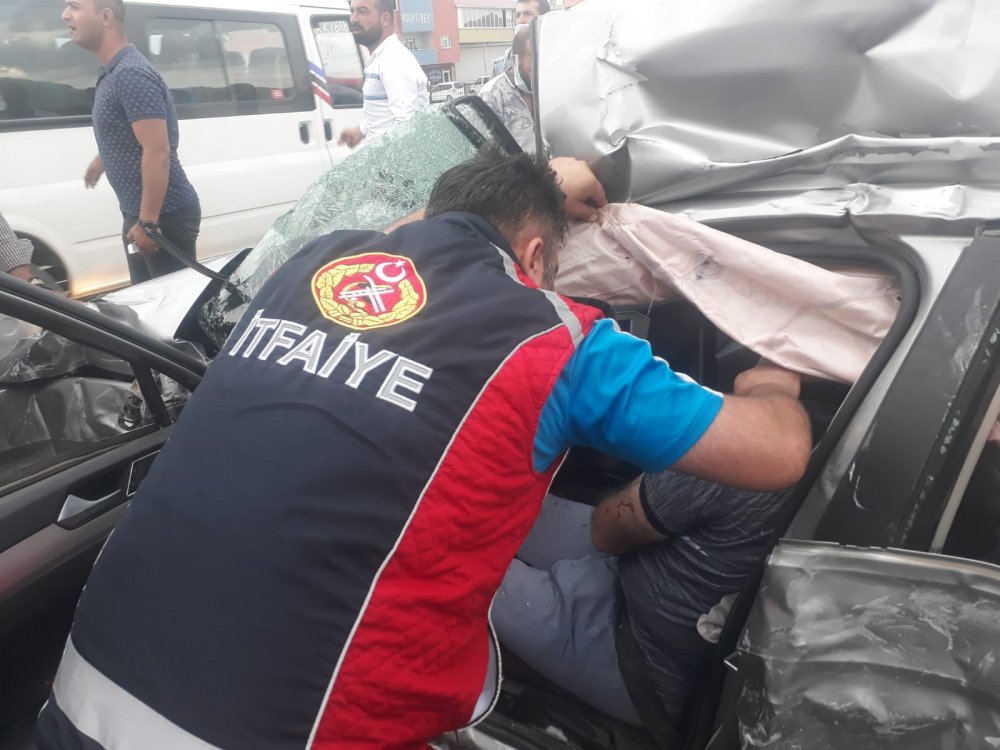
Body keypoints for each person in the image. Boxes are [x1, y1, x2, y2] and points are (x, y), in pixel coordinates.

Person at [36, 147, 809, 750]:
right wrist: (773, 375)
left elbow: (419, 231)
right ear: (535, 258)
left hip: (79, 701)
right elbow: (776, 456)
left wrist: (539, 175)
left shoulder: (313, 263)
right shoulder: (559, 341)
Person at [493, 369, 804, 727]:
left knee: (450, 558)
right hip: (638, 573)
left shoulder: (749, 454)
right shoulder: (827, 455)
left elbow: (606, 532)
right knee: (496, 508)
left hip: (637, 660)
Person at [62, 0, 201, 285]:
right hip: (139, 214)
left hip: (163, 217)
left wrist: (148, 223)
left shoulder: (130, 74)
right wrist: (102, 160)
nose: (65, 15)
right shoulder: (113, 72)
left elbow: (157, 150)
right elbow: (128, 133)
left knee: (173, 303)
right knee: (146, 297)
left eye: (74, 6)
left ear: (106, 17)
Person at [338, 0, 429, 148]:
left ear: (385, 19)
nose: (353, 19)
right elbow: (384, 115)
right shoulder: (380, 58)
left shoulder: (394, 60)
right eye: (352, 11)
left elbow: (406, 127)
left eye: (362, 11)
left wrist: (383, 160)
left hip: (393, 161)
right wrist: (359, 131)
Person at [480, 25, 537, 153]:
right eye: (534, 57)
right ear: (516, 59)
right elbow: (485, 151)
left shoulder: (548, 92)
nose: (540, 64)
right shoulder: (492, 95)